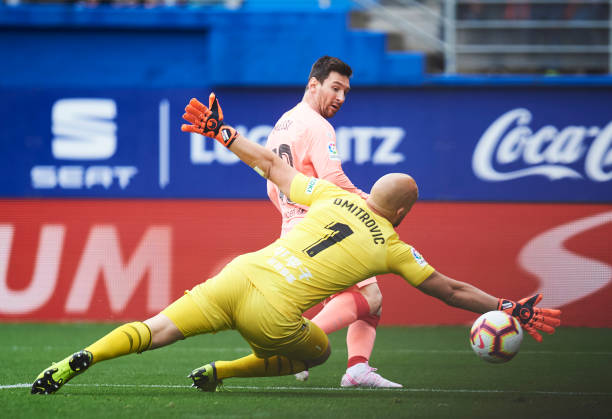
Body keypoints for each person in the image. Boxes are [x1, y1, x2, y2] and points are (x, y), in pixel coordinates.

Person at [31, 93, 562, 395]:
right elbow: (448, 290)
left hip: (239, 274)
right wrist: (504, 305)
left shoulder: (329, 196)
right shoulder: (394, 247)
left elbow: (271, 165)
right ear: (402, 213)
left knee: (156, 329)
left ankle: (80, 359)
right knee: (316, 353)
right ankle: (226, 370)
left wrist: (224, 133)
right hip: (276, 313)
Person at [264, 55, 395, 387]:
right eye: (335, 88)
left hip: (295, 228)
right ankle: (300, 348)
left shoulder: (283, 123)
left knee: (362, 301)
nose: (340, 97)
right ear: (313, 84)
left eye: (346, 91)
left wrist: (291, 215)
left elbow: (271, 184)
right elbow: (333, 178)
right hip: (325, 228)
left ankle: (356, 368)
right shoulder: (318, 126)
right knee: (372, 298)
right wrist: (369, 202)